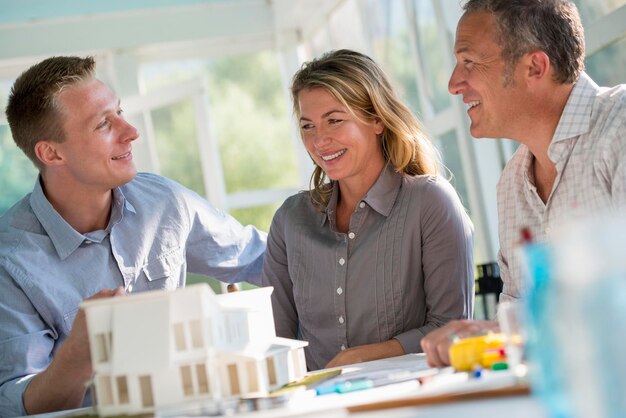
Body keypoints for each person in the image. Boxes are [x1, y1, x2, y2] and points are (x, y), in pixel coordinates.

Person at [0, 56, 267, 416]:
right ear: (51, 152)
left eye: (120, 112)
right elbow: (19, 406)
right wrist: (80, 352)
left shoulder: (163, 201)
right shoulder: (10, 261)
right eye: (103, 124)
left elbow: (265, 260)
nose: (131, 131)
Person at [421, 0, 626, 367]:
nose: (454, 83)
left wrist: (508, 334)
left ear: (534, 66)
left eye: (469, 62)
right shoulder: (511, 184)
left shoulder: (620, 130)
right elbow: (520, 323)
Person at [262, 49, 475, 371]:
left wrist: (362, 356)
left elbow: (453, 329)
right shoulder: (291, 221)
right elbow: (276, 341)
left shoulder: (430, 203)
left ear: (376, 119)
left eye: (334, 120)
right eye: (308, 126)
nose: (320, 141)